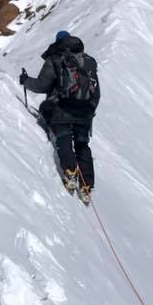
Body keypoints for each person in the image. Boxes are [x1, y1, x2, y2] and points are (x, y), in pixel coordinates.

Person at [19, 31, 100, 198]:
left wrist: (25, 80)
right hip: (85, 112)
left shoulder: (55, 60)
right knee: (82, 145)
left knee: (63, 138)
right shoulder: (88, 63)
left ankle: (70, 172)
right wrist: (90, 111)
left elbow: (41, 85)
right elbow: (96, 93)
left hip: (62, 109)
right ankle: (87, 186)